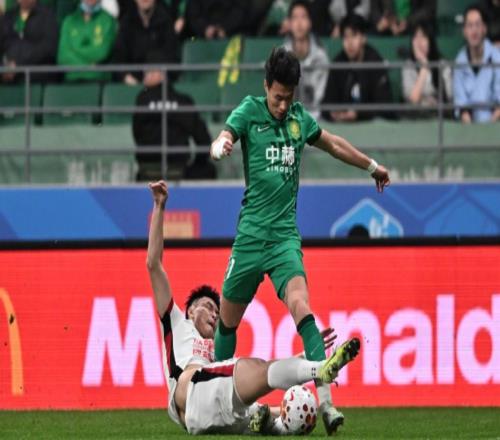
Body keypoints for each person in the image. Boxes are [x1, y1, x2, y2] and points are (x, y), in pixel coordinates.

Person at [210, 46, 389, 434]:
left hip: (283, 240)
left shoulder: (298, 120)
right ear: (266, 87)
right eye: (277, 97)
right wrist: (221, 144)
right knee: (227, 322)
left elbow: (334, 143)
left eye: (288, 98)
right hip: (249, 239)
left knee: (300, 303)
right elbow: (226, 134)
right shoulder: (249, 110)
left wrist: (372, 166)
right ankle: (218, 404)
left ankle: (327, 405)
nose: (282, 105)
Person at [146, 179, 361, 435]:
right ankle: (320, 369)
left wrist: (306, 355)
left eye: (217, 311)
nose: (214, 314)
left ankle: (286, 420)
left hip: (207, 413)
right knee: (256, 369)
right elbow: (153, 264)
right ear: (190, 310)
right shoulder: (176, 322)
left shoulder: (216, 352)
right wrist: (159, 206)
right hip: (190, 390)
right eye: (208, 307)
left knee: (270, 408)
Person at [132, 51, 217, 181]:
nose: (144, 78)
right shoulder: (183, 101)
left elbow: (137, 134)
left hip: (148, 171)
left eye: (147, 73)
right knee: (208, 170)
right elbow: (203, 139)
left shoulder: (142, 99)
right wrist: (196, 163)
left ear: (160, 74)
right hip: (179, 169)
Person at [322, 14, 392, 122]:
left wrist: (358, 114)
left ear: (363, 38)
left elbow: (385, 107)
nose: (349, 43)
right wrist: (333, 113)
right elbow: (327, 104)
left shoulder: (375, 63)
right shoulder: (338, 63)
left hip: (371, 125)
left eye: (354, 35)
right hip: (343, 126)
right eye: (345, 37)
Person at [113, 0, 179, 85]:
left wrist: (160, 75)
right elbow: (119, 57)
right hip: (132, 82)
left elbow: (172, 55)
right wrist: (126, 77)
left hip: (161, 82)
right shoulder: (126, 22)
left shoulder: (166, 19)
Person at [453, 4, 500, 124]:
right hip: (469, 128)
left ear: (484, 29)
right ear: (464, 31)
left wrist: (489, 127)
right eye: (469, 25)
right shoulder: (459, 62)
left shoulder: (497, 57)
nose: (474, 30)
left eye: (478, 25)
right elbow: (461, 105)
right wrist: (472, 131)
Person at [283, 0, 329, 119]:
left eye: (303, 17)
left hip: (315, 119)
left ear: (310, 22)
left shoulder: (320, 57)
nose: (299, 23)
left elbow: (319, 98)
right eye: (295, 18)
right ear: (289, 23)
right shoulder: (282, 57)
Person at [57, 0, 117, 82]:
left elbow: (101, 53)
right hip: (71, 81)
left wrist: (75, 54)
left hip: (99, 81)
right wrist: (89, 66)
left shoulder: (108, 21)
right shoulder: (68, 21)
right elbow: (63, 57)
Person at [2, 0, 58, 83]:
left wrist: (18, 64)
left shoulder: (47, 15)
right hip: (9, 76)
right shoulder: (8, 16)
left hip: (37, 75)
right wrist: (4, 67)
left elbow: (48, 47)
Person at [402, 22, 452, 115]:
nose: (419, 42)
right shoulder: (408, 66)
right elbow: (413, 100)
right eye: (415, 37)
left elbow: (448, 96)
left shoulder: (443, 64)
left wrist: (425, 100)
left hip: (439, 116)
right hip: (416, 117)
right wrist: (424, 67)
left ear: (430, 41)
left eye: (423, 37)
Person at [370, 0, 436, 35]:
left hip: (415, 29)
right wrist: (384, 21)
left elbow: (429, 9)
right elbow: (374, 10)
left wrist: (408, 21)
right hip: (386, 30)